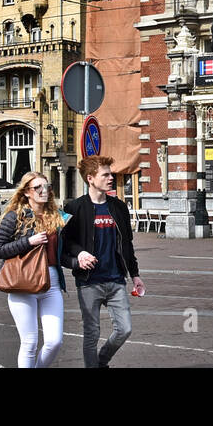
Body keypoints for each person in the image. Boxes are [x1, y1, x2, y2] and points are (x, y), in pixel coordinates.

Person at [61, 155, 144, 368]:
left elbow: (127, 244)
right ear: (90, 178)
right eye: (105, 174)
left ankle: (101, 361)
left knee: (124, 329)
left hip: (116, 280)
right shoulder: (74, 208)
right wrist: (78, 256)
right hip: (89, 281)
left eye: (111, 173)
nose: (110, 177)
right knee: (91, 332)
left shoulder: (118, 207)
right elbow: (64, 244)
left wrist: (135, 275)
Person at [0, 172, 67, 368]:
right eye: (38, 188)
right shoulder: (15, 217)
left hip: (51, 283)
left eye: (47, 186)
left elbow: (63, 252)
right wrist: (28, 241)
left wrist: (79, 259)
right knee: (30, 342)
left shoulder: (56, 217)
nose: (44, 191)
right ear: (27, 192)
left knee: (54, 341)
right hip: (23, 283)